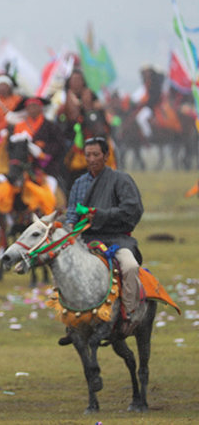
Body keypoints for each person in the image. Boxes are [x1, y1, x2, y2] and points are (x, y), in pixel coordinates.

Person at [65, 137, 143, 335]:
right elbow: (72, 211)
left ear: (107, 156)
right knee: (63, 266)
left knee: (130, 267)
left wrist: (100, 214)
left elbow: (131, 210)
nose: (91, 159)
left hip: (116, 239)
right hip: (87, 239)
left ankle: (130, 315)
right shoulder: (79, 183)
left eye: (96, 155)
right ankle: (72, 319)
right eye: (88, 155)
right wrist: (71, 226)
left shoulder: (121, 179)